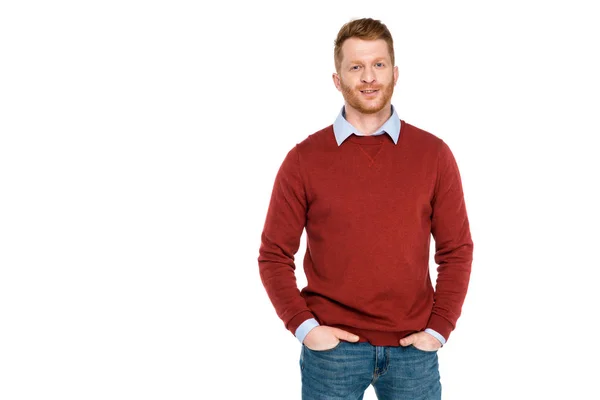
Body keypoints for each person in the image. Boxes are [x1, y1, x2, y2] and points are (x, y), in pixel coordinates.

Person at [257, 17, 473, 400]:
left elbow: (456, 250)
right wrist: (305, 328)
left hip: (413, 351)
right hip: (332, 352)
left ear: (395, 73)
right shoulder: (304, 159)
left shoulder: (433, 155)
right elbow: (274, 255)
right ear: (338, 79)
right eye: (356, 66)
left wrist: (439, 329)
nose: (369, 77)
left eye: (378, 64)